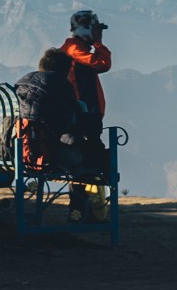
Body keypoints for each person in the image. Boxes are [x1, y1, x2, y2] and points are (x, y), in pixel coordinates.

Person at [15, 48, 93, 175]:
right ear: (65, 70)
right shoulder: (60, 83)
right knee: (84, 151)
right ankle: (81, 193)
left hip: (17, 151)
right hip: (46, 154)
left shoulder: (23, 82)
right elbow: (71, 122)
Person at [62, 9, 112, 139]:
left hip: (80, 116)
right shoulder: (75, 51)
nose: (99, 33)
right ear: (87, 29)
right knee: (95, 155)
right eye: (96, 30)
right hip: (83, 117)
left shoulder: (71, 49)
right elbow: (103, 64)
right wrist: (98, 44)